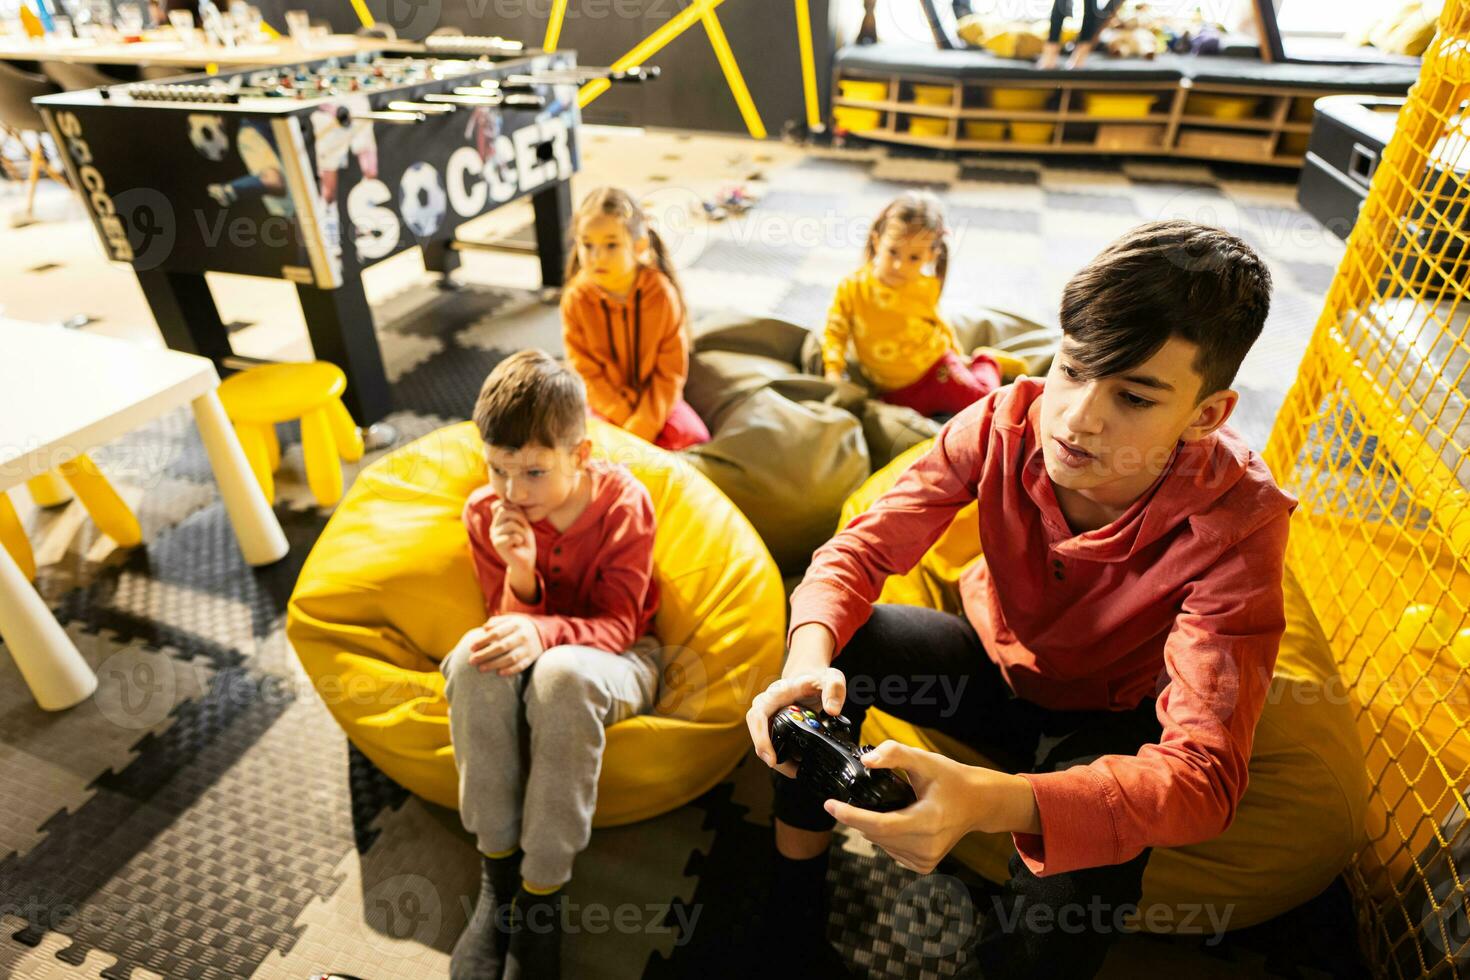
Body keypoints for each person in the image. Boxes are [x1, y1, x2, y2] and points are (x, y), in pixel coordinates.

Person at [748, 220, 1294, 977]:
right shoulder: (1006, 418)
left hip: (1110, 719)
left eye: (1134, 396)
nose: (1078, 418)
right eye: (1072, 370)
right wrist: (802, 670)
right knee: (831, 647)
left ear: (1206, 416)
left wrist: (991, 801)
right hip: (994, 666)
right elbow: (858, 550)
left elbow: (1203, 777)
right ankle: (795, 884)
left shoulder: (1239, 525)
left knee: (1081, 885)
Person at [443, 349, 664, 980]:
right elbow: (502, 621)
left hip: (617, 657)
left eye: (534, 473)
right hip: (541, 650)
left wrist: (541, 634)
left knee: (561, 675)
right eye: (497, 470)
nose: (512, 492)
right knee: (473, 658)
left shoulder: (624, 503)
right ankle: (497, 880)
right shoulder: (488, 513)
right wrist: (520, 570)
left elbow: (620, 625)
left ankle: (542, 897)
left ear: (582, 455)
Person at [822, 192, 1008, 419]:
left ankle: (986, 361)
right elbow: (835, 331)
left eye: (914, 258)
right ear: (877, 240)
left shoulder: (924, 287)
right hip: (893, 389)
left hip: (938, 371)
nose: (900, 265)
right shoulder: (852, 287)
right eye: (892, 252)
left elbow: (940, 324)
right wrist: (833, 370)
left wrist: (960, 357)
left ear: (930, 255)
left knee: (987, 405)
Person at [560, 186, 710, 451]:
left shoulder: (661, 295)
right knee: (587, 447)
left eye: (611, 245)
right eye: (587, 244)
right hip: (602, 403)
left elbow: (671, 372)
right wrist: (623, 419)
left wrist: (643, 424)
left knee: (692, 439)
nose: (596, 257)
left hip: (655, 402)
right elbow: (585, 372)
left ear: (638, 245)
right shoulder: (576, 299)